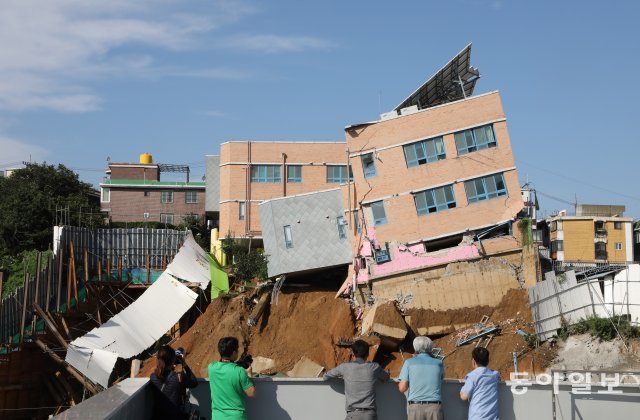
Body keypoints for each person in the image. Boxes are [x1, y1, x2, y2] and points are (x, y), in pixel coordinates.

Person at [324, 339, 390, 419]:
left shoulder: (345, 367)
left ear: (353, 353)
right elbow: (386, 377)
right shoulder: (374, 367)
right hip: (369, 415)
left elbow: (326, 376)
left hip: (353, 415)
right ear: (368, 353)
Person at [208, 336, 256, 420]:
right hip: (236, 417)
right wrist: (249, 374)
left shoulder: (211, 368)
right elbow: (251, 393)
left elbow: (222, 364)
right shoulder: (239, 371)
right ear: (234, 353)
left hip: (217, 417)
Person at [398, 336, 444, 420]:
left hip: (416, 408)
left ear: (415, 347)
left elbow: (402, 388)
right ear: (430, 347)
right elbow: (441, 378)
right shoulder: (439, 363)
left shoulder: (409, 363)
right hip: (435, 407)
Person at [150, 345, 198, 419]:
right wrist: (184, 364)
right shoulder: (179, 377)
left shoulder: (153, 377)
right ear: (173, 360)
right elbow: (194, 382)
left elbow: (164, 376)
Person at [460, 347, 500, 420]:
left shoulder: (472, 376)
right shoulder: (495, 375)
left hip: (477, 417)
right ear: (487, 361)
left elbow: (464, 396)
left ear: (473, 361)